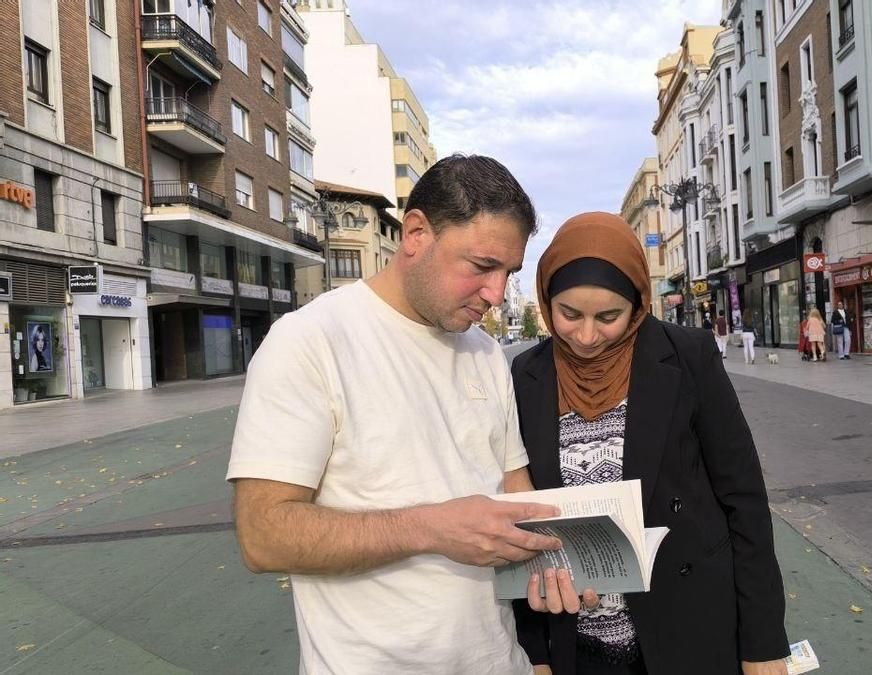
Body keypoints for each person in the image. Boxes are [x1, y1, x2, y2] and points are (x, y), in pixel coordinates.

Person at [225, 154, 565, 674]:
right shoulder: (309, 341)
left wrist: (562, 562)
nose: (496, 294)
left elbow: (515, 491)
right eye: (481, 266)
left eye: (508, 273)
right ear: (415, 233)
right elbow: (263, 533)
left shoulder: (483, 351)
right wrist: (429, 529)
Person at [511, 212, 789, 675]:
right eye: (569, 314)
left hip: (689, 629)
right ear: (546, 300)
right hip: (574, 643)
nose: (585, 336)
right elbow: (520, 517)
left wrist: (762, 642)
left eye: (608, 317)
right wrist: (535, 651)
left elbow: (744, 500)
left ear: (638, 303)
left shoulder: (688, 357)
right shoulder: (527, 376)